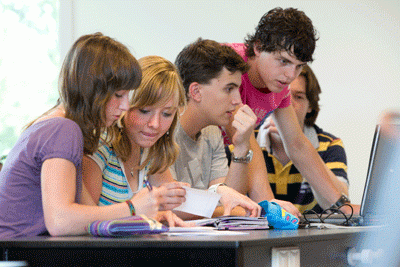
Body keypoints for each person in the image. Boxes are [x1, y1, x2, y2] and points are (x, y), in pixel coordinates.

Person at [0, 33, 168, 238]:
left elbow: (91, 213)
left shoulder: (53, 124)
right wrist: (133, 207)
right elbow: (60, 222)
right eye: (118, 95)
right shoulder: (63, 129)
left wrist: (148, 217)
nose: (125, 106)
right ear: (93, 90)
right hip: (19, 254)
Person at [224, 7, 350, 216]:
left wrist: (341, 208)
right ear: (258, 47)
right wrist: (269, 204)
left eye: (299, 66)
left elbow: (297, 144)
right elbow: (246, 139)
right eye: (284, 61)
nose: (291, 75)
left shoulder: (279, 84)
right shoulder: (231, 66)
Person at [82, 55, 192, 226]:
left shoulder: (150, 149)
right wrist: (137, 212)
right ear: (125, 104)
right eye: (144, 111)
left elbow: (181, 207)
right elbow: (84, 221)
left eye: (166, 114)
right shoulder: (100, 146)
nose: (155, 124)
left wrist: (220, 193)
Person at [173, 38, 261, 217]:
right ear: (196, 92)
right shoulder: (163, 129)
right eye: (229, 89)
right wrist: (231, 210)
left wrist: (242, 147)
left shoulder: (212, 131)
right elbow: (170, 206)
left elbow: (230, 198)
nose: (237, 100)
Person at [257, 65, 349, 214]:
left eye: (298, 97)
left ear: (310, 106)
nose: (287, 103)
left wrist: (300, 148)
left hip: (312, 234)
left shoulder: (330, 145)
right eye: (281, 94)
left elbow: (341, 204)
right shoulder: (247, 137)